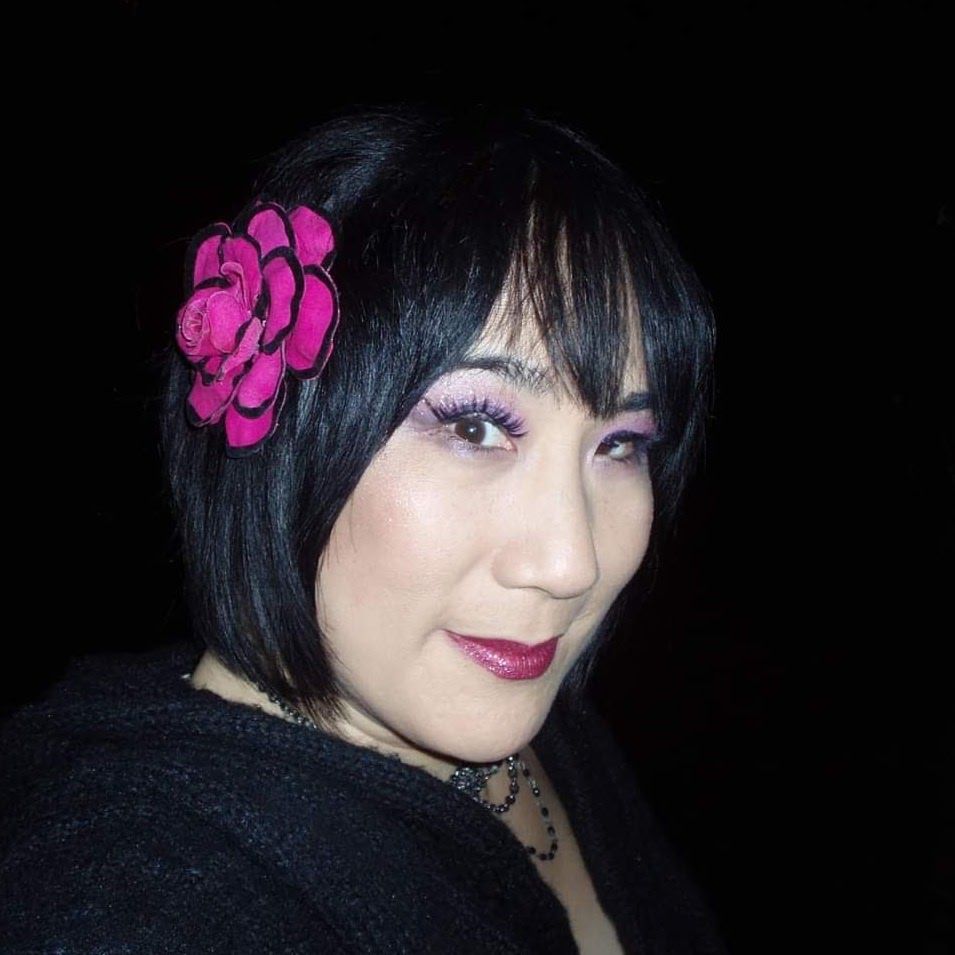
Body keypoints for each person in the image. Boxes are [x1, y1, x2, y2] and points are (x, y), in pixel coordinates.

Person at [0, 104, 727, 954]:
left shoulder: (526, 711)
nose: (571, 563)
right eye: (475, 427)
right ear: (287, 436)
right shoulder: (136, 907)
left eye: (619, 444)